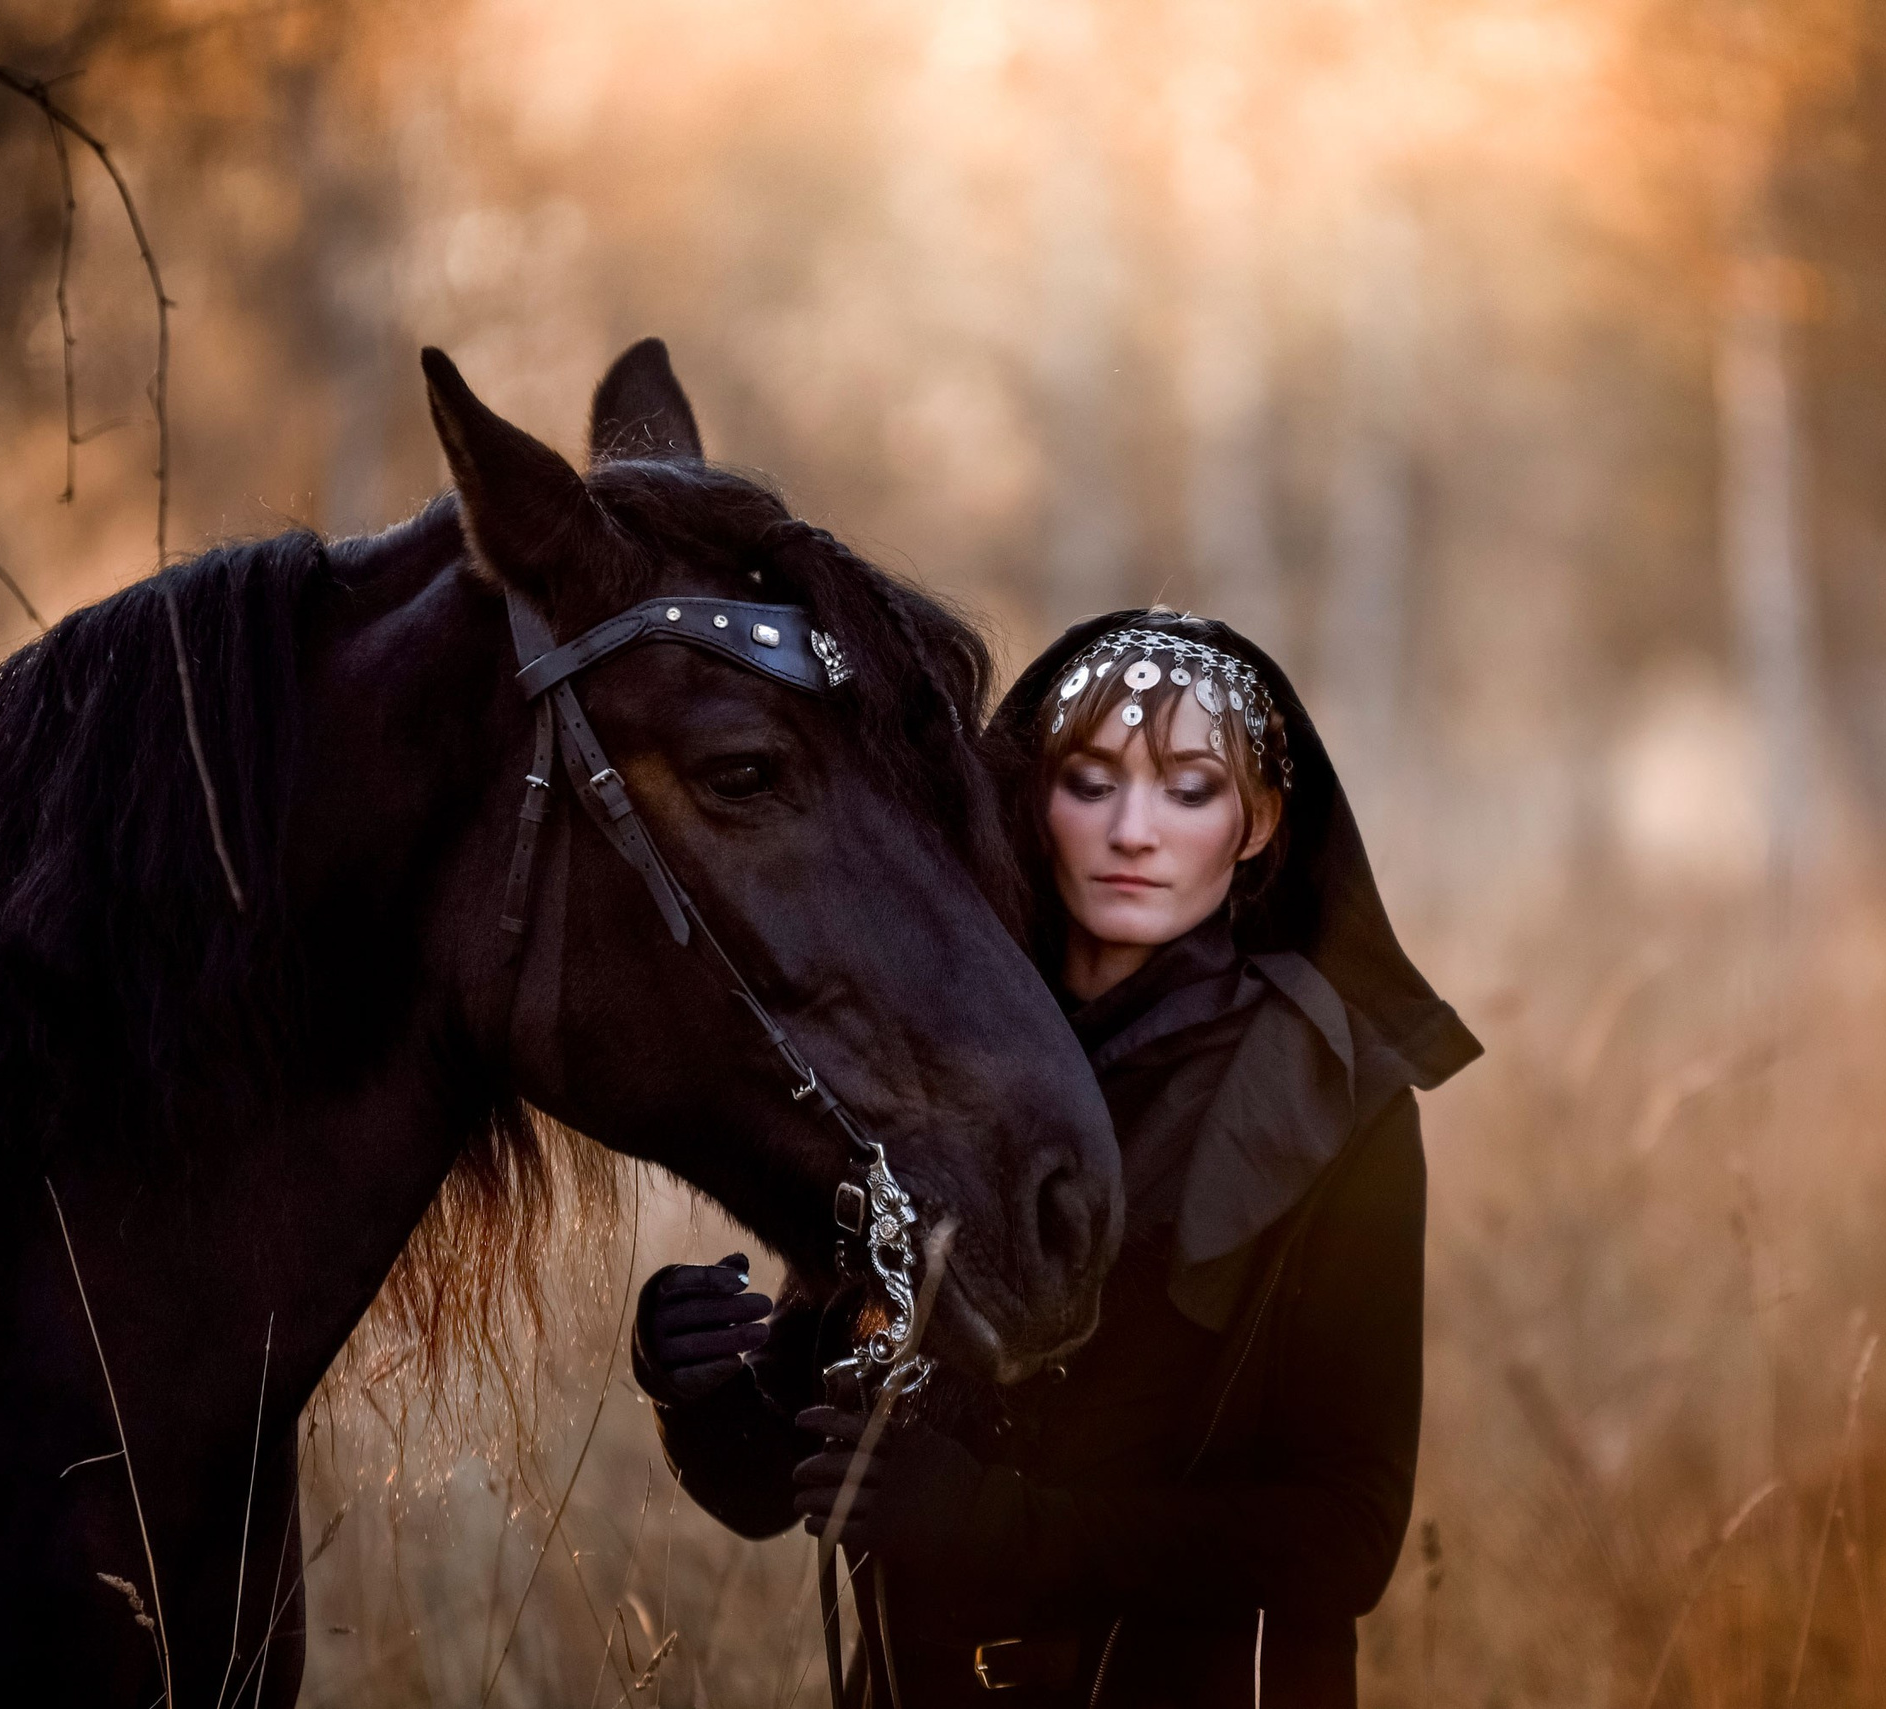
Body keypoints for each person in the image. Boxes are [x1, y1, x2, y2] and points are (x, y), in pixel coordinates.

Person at [632, 610, 1479, 1707]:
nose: (1134, 829)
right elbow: (768, 1481)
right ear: (1029, 798)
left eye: (1188, 789)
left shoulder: (1331, 1106)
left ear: (1258, 823)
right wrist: (694, 1385)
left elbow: (1347, 1536)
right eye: (1091, 781)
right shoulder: (924, 1063)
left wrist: (1001, 1527)